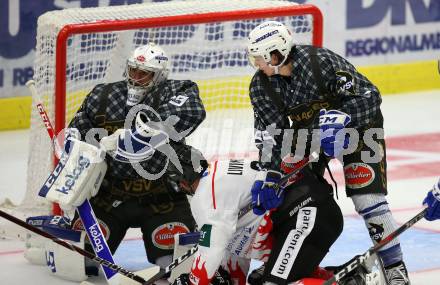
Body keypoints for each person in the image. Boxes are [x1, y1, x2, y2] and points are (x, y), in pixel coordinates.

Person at [245, 21, 410, 285]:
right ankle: (298, 263)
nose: (256, 65)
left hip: (359, 128)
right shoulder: (261, 87)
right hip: (310, 136)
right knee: (294, 195)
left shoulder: (319, 62)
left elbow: (369, 96)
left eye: (259, 58)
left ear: (276, 54)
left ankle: (394, 268)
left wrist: (342, 118)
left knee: (367, 199)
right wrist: (273, 173)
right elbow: (271, 137)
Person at [65, 42, 206, 273]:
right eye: (133, 71)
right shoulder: (103, 95)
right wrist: (74, 151)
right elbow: (77, 130)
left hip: (162, 198)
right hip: (109, 197)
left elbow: (191, 113)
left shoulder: (178, 90)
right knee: (82, 264)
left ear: (160, 76)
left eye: (145, 74)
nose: (137, 78)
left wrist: (137, 135)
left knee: (176, 267)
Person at [167, 144, 344, 285]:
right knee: (260, 279)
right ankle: (343, 279)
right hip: (311, 214)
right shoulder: (220, 170)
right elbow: (232, 248)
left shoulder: (205, 198)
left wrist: (193, 281)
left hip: (307, 215)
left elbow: (212, 250)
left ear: (181, 181)